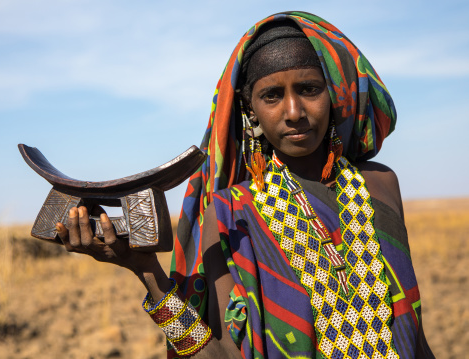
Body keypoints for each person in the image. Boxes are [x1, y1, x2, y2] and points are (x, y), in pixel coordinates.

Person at [56, 11, 435, 359]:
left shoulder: (380, 186)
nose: (293, 112)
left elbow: (415, 337)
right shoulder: (229, 214)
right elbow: (219, 355)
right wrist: (147, 273)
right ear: (249, 109)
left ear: (333, 94)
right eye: (272, 95)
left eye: (309, 89)